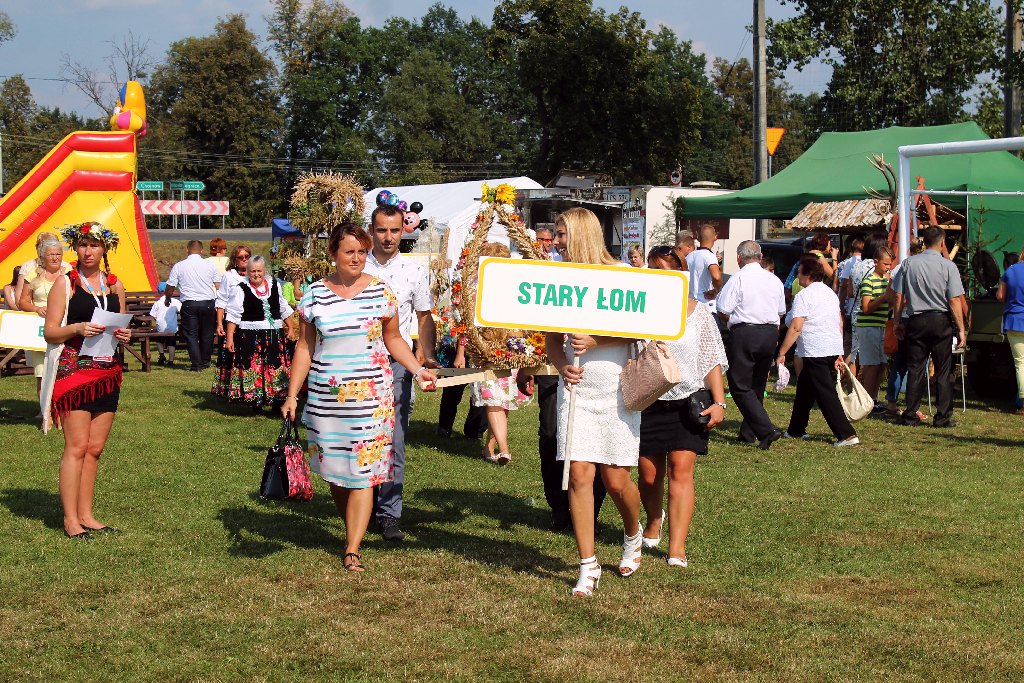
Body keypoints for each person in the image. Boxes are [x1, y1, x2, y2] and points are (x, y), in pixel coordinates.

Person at [282, 223, 437, 571]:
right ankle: (353, 525)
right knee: (336, 474)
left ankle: (352, 548)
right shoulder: (314, 294)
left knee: (364, 474)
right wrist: (293, 395)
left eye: (361, 252)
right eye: (349, 251)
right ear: (333, 253)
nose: (356, 258)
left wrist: (417, 369)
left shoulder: (382, 292)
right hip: (325, 399)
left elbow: (394, 339)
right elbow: (305, 347)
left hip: (372, 400)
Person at [545, 207, 643, 597]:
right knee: (579, 474)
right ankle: (588, 565)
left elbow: (642, 332)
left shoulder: (622, 275)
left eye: (561, 234)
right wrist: (560, 365)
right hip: (576, 389)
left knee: (616, 479)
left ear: (581, 235)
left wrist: (598, 340)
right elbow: (552, 338)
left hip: (616, 388)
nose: (555, 241)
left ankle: (634, 533)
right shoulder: (559, 280)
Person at [638, 246, 728, 568]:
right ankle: (653, 518)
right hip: (647, 399)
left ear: (680, 274)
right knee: (649, 475)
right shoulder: (636, 310)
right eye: (653, 269)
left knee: (681, 471)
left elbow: (711, 359)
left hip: (688, 400)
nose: (659, 276)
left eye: (665, 269)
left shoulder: (699, 311)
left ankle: (676, 547)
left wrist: (719, 402)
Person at [41, 222, 132, 539]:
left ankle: (87, 515)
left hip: (107, 372)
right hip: (74, 372)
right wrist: (77, 328)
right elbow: (50, 331)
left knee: (94, 449)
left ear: (104, 249)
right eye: (82, 245)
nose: (87, 251)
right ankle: (70, 520)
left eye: (93, 245)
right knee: (76, 447)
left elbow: (120, 325)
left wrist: (125, 334)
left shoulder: (114, 285)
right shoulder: (65, 285)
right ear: (75, 249)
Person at [363, 203, 440, 542]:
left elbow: (424, 316)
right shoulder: (355, 265)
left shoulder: (413, 271)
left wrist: (427, 353)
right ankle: (360, 506)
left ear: (403, 231)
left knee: (393, 438)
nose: (388, 237)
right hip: (357, 362)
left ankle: (389, 513)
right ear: (372, 231)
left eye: (395, 230)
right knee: (361, 436)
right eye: (382, 230)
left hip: (397, 362)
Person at [777, 256, 859, 446]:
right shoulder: (830, 293)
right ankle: (795, 429)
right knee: (805, 389)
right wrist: (839, 350)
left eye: (799, 273)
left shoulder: (804, 296)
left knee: (826, 394)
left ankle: (846, 434)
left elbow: (796, 327)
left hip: (815, 350)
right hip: (829, 347)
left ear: (809, 275)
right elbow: (839, 321)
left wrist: (782, 352)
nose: (797, 277)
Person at [892, 226, 966, 428]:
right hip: (940, 320)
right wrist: (961, 328)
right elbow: (954, 300)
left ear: (923, 241)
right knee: (943, 370)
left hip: (916, 319)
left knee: (915, 368)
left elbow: (899, 295)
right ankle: (942, 417)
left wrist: (897, 321)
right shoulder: (948, 266)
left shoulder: (908, 264)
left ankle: (910, 415)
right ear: (942, 243)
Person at [715, 240, 786, 448]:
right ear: (761, 257)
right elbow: (781, 310)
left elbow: (723, 308)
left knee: (739, 385)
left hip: (745, 331)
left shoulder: (738, 278)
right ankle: (750, 433)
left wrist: (730, 322)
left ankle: (766, 429)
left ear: (739, 258)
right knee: (757, 384)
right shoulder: (774, 280)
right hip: (770, 332)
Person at [467, 243, 534, 464]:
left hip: (511, 349)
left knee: (503, 401)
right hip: (485, 350)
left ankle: (489, 447)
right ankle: (505, 450)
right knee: (493, 400)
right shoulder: (474, 288)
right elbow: (467, 323)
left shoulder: (515, 287)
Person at [216, 255, 295, 410]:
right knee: (255, 368)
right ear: (247, 271)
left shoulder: (274, 285)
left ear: (264, 271)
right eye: (252, 271)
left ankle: (277, 402)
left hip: (273, 334)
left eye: (259, 271)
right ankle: (256, 402)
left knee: (275, 367)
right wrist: (230, 338)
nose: (256, 274)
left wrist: (291, 328)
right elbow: (233, 315)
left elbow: (283, 308)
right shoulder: (240, 288)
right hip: (250, 335)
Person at [20, 234, 72, 399]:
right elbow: (22, 302)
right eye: (51, 254)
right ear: (43, 256)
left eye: (58, 254)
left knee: (63, 369)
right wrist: (36, 308)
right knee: (42, 371)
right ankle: (44, 411)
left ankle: (61, 408)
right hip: (40, 329)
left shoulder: (70, 273)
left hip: (64, 326)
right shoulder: (32, 275)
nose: (55, 258)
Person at [885, 239, 926, 418]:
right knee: (918, 364)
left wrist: (896, 316)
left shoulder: (900, 267)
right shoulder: (926, 267)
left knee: (900, 363)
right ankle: (913, 406)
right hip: (919, 318)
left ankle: (891, 402)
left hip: (903, 317)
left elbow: (891, 294)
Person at [167, 240, 221, 372]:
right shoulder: (209, 265)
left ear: (187, 250)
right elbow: (218, 285)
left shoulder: (179, 266)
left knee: (191, 335)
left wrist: (167, 298)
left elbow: (170, 286)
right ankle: (205, 361)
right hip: (208, 302)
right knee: (207, 334)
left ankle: (196, 364)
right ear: (202, 251)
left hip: (189, 303)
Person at [851, 245, 894, 410]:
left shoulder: (885, 281)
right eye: (886, 264)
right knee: (871, 364)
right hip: (868, 327)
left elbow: (886, 306)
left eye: (890, 265)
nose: (888, 268)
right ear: (876, 262)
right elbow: (866, 308)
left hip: (881, 325)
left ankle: (873, 399)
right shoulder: (869, 280)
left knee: (881, 364)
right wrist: (884, 298)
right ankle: (867, 401)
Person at [998, 245, 1024, 414]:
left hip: (1015, 321)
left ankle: (1023, 403)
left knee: (1021, 363)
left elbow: (1000, 296)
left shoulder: (1011, 271)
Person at [685, 224, 722, 303]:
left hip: (690, 303)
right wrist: (716, 290)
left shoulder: (688, 257)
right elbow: (717, 277)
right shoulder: (710, 256)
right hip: (706, 302)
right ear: (715, 237)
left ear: (698, 238)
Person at [149, 285, 181, 366]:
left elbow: (153, 315)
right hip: (172, 327)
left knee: (159, 340)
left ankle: (162, 355)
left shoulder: (158, 302)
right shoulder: (176, 302)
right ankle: (171, 361)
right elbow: (181, 311)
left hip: (161, 327)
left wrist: (158, 320)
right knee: (171, 343)